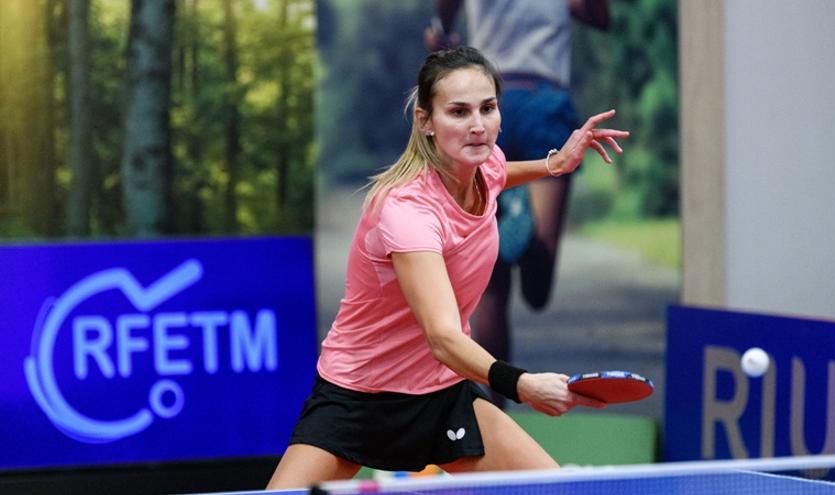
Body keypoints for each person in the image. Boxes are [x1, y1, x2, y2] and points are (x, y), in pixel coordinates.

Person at [266, 46, 628, 489]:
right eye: (458, 112)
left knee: (556, 489)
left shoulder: (483, 163)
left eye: (488, 108)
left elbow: (498, 173)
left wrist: (554, 164)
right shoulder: (407, 210)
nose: (478, 125)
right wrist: (523, 385)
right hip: (360, 395)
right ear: (426, 121)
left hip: (441, 393)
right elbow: (442, 337)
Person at [425, 0, 611, 407]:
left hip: (491, 105)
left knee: (492, 277)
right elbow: (599, 17)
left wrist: (442, 29)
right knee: (536, 290)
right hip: (541, 101)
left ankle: (506, 231)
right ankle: (516, 232)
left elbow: (446, 9)